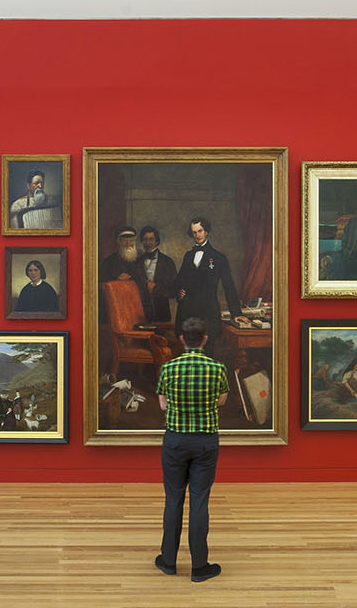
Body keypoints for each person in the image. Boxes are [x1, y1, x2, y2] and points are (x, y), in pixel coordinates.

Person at [154, 318, 229, 583]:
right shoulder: (217, 368)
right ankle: (199, 567)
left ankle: (168, 561)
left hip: (175, 441)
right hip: (205, 442)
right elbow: (221, 400)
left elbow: (163, 406)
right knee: (199, 500)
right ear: (205, 339)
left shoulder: (169, 368)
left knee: (173, 499)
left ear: (182, 339)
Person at [174, 217, 241, 356]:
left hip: (208, 313)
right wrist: (178, 292)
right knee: (189, 356)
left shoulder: (218, 257)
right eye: (194, 232)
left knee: (207, 354)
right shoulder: (188, 256)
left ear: (207, 232)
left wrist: (237, 313)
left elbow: (229, 286)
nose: (197, 235)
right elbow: (179, 280)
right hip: (188, 312)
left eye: (200, 231)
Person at [138, 225, 179, 323]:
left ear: (157, 241)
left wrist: (155, 289)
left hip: (161, 313)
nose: (147, 243)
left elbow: (174, 291)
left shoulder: (167, 262)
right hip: (140, 313)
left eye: (151, 239)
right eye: (144, 240)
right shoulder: (137, 262)